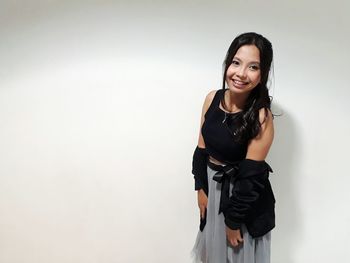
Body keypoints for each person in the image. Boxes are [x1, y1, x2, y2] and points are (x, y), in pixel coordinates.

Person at [190, 32, 276, 263]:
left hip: (242, 201)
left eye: (253, 67)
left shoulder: (261, 117)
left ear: (263, 73)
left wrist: (233, 222)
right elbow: (201, 150)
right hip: (212, 187)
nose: (240, 73)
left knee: (237, 257)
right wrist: (201, 188)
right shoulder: (211, 98)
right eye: (236, 62)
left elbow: (251, 177)